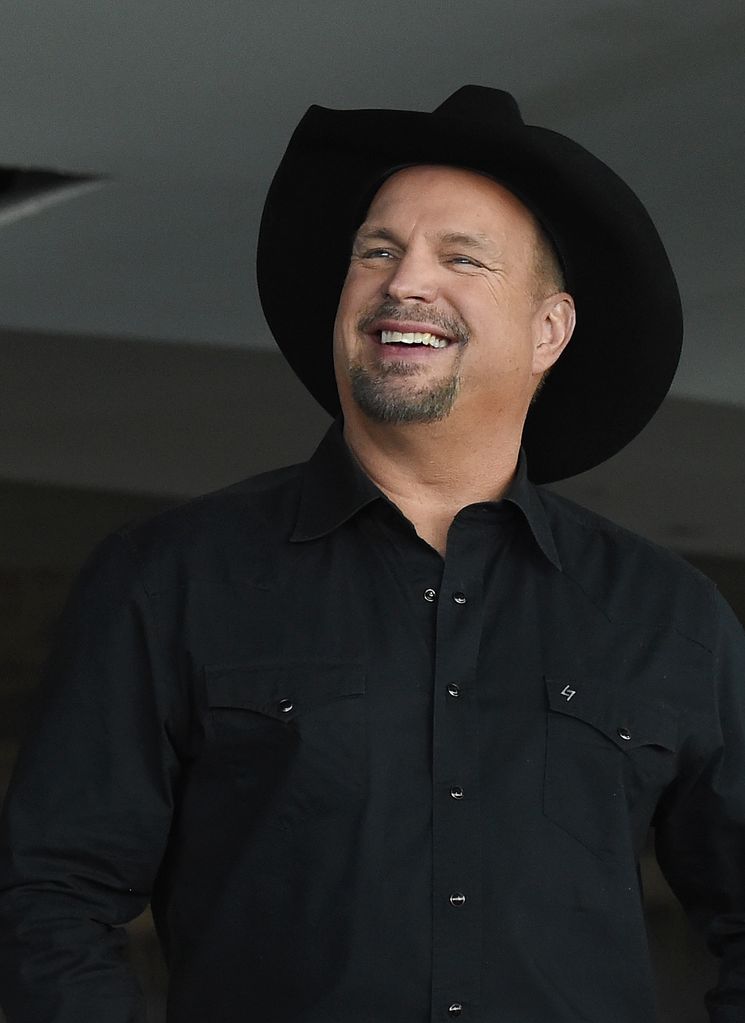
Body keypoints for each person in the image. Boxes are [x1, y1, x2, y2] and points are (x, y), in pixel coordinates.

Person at [0, 85, 744, 1023]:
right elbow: (50, 895)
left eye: (460, 258)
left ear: (546, 329)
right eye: (377, 251)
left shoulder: (665, 615)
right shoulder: (170, 578)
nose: (404, 283)